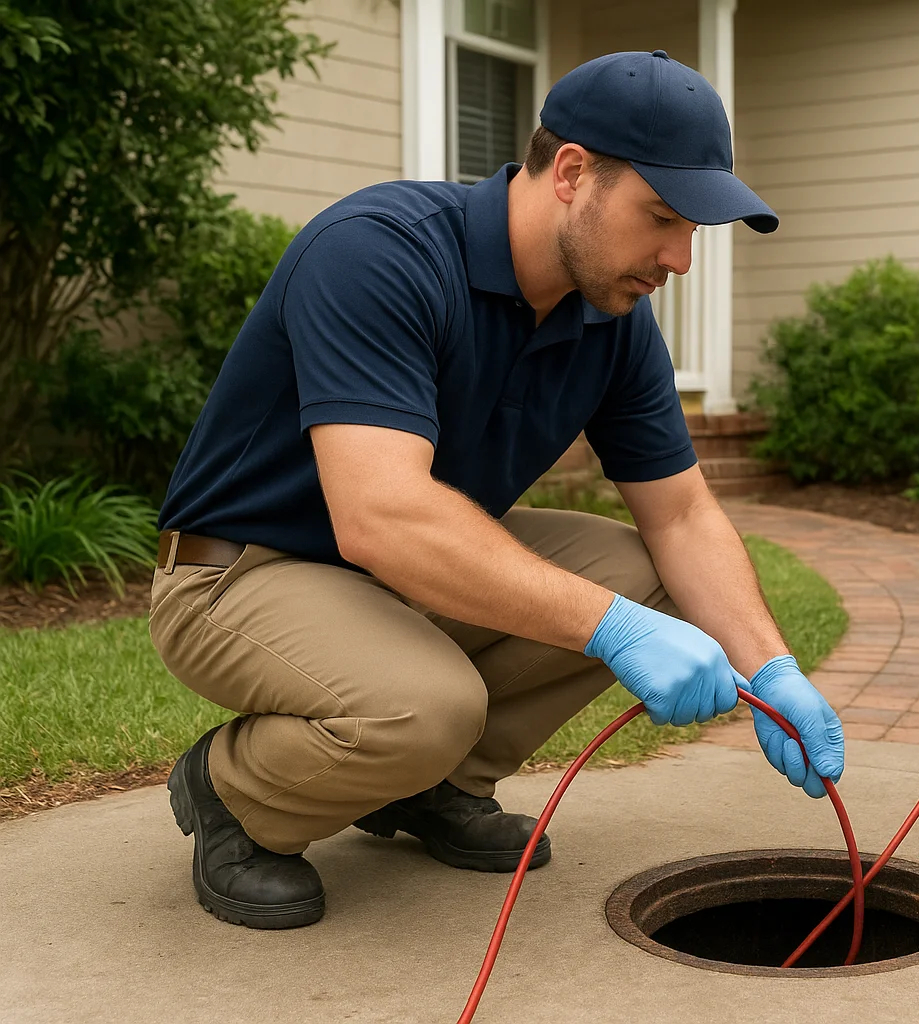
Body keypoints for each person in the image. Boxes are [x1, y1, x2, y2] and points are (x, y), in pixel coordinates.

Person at [150, 49, 845, 930]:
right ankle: (233, 795)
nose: (679, 258)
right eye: (662, 217)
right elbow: (382, 515)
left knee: (642, 573)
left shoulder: (612, 315)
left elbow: (681, 514)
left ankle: (430, 787)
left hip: (393, 579)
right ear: (570, 172)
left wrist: (772, 669)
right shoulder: (380, 252)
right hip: (241, 571)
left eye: (693, 230)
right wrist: (612, 629)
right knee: (430, 704)